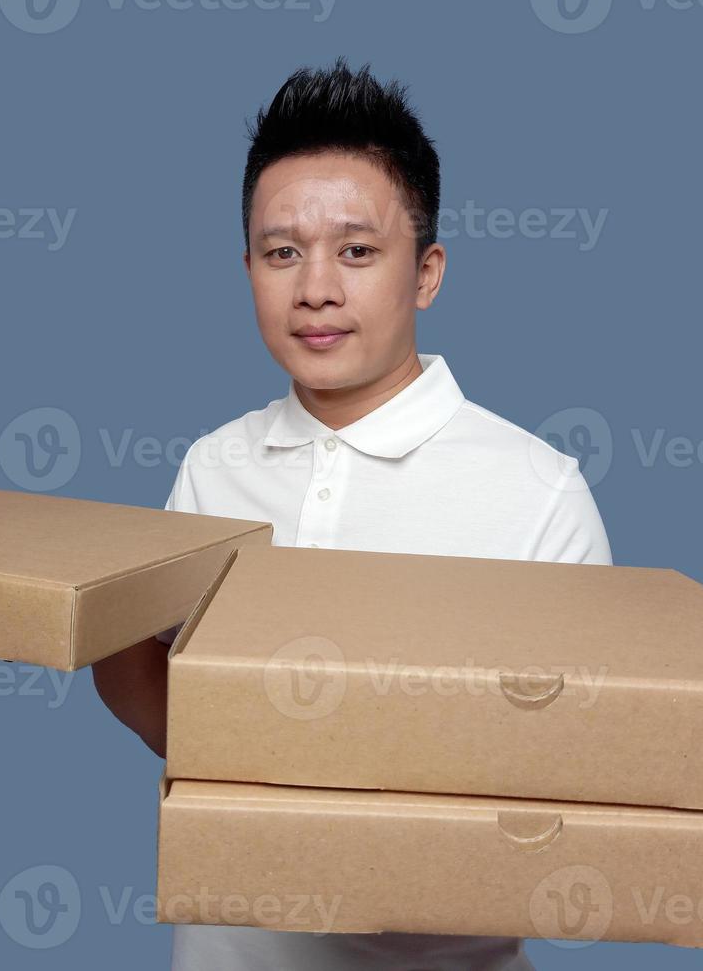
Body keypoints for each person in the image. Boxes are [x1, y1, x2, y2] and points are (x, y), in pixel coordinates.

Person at [92, 57, 611, 971]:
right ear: (247, 266)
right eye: (281, 251)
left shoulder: (535, 491)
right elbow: (151, 691)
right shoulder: (213, 468)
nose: (315, 289)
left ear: (427, 273)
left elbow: (582, 774)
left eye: (357, 251)